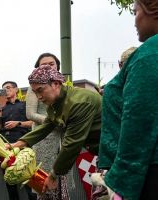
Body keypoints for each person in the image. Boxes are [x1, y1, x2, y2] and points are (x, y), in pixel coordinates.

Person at [9, 66, 102, 196]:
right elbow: (47, 125)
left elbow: (71, 144)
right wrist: (19, 143)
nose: (39, 97)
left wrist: (53, 175)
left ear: (56, 84)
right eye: (35, 92)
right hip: (100, 152)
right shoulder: (56, 102)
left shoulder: (79, 102)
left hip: (115, 151)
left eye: (40, 90)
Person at [98, 0, 158, 199]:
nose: (134, 20)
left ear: (153, 10)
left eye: (135, 12)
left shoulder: (149, 54)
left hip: (148, 170)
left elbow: (140, 121)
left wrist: (120, 180)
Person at [26, 53, 69, 200]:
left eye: (51, 64)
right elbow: (30, 114)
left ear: (57, 65)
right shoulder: (34, 87)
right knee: (44, 185)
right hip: (42, 138)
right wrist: (53, 121)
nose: (48, 66)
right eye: (43, 65)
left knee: (64, 182)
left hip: (62, 138)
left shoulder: (63, 86)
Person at [0, 81, 36, 200]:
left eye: (8, 88)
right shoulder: (2, 109)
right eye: (4, 89)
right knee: (9, 180)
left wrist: (18, 123)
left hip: (22, 143)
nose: (6, 90)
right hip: (5, 145)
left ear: (16, 89)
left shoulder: (25, 105)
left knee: (28, 177)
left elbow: (33, 123)